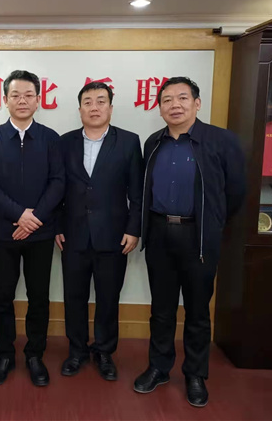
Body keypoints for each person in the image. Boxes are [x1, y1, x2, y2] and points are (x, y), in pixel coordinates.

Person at [133, 77, 245, 407]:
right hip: (159, 233)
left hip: (199, 236)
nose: (175, 105)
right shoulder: (153, 142)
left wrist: (212, 223)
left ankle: (195, 374)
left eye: (182, 98)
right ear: (159, 108)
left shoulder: (221, 141)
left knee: (197, 310)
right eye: (167, 100)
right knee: (161, 309)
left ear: (197, 103)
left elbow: (236, 192)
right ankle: (159, 367)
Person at [0, 70, 65, 387]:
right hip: (3, 233)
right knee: (2, 296)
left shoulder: (51, 138)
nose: (22, 100)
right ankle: (4, 354)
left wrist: (34, 218)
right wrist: (19, 215)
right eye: (15, 95)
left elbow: (58, 182)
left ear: (38, 100)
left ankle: (34, 355)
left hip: (40, 232)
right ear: (5, 100)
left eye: (29, 95)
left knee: (38, 296)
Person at [56, 81, 144, 381]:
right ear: (80, 108)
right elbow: (56, 188)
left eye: (100, 101)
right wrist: (57, 225)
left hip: (114, 236)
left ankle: (104, 352)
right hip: (73, 235)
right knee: (74, 297)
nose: (94, 107)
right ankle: (77, 350)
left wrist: (134, 229)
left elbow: (137, 192)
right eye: (88, 102)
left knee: (108, 298)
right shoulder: (64, 142)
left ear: (110, 107)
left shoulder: (129, 142)